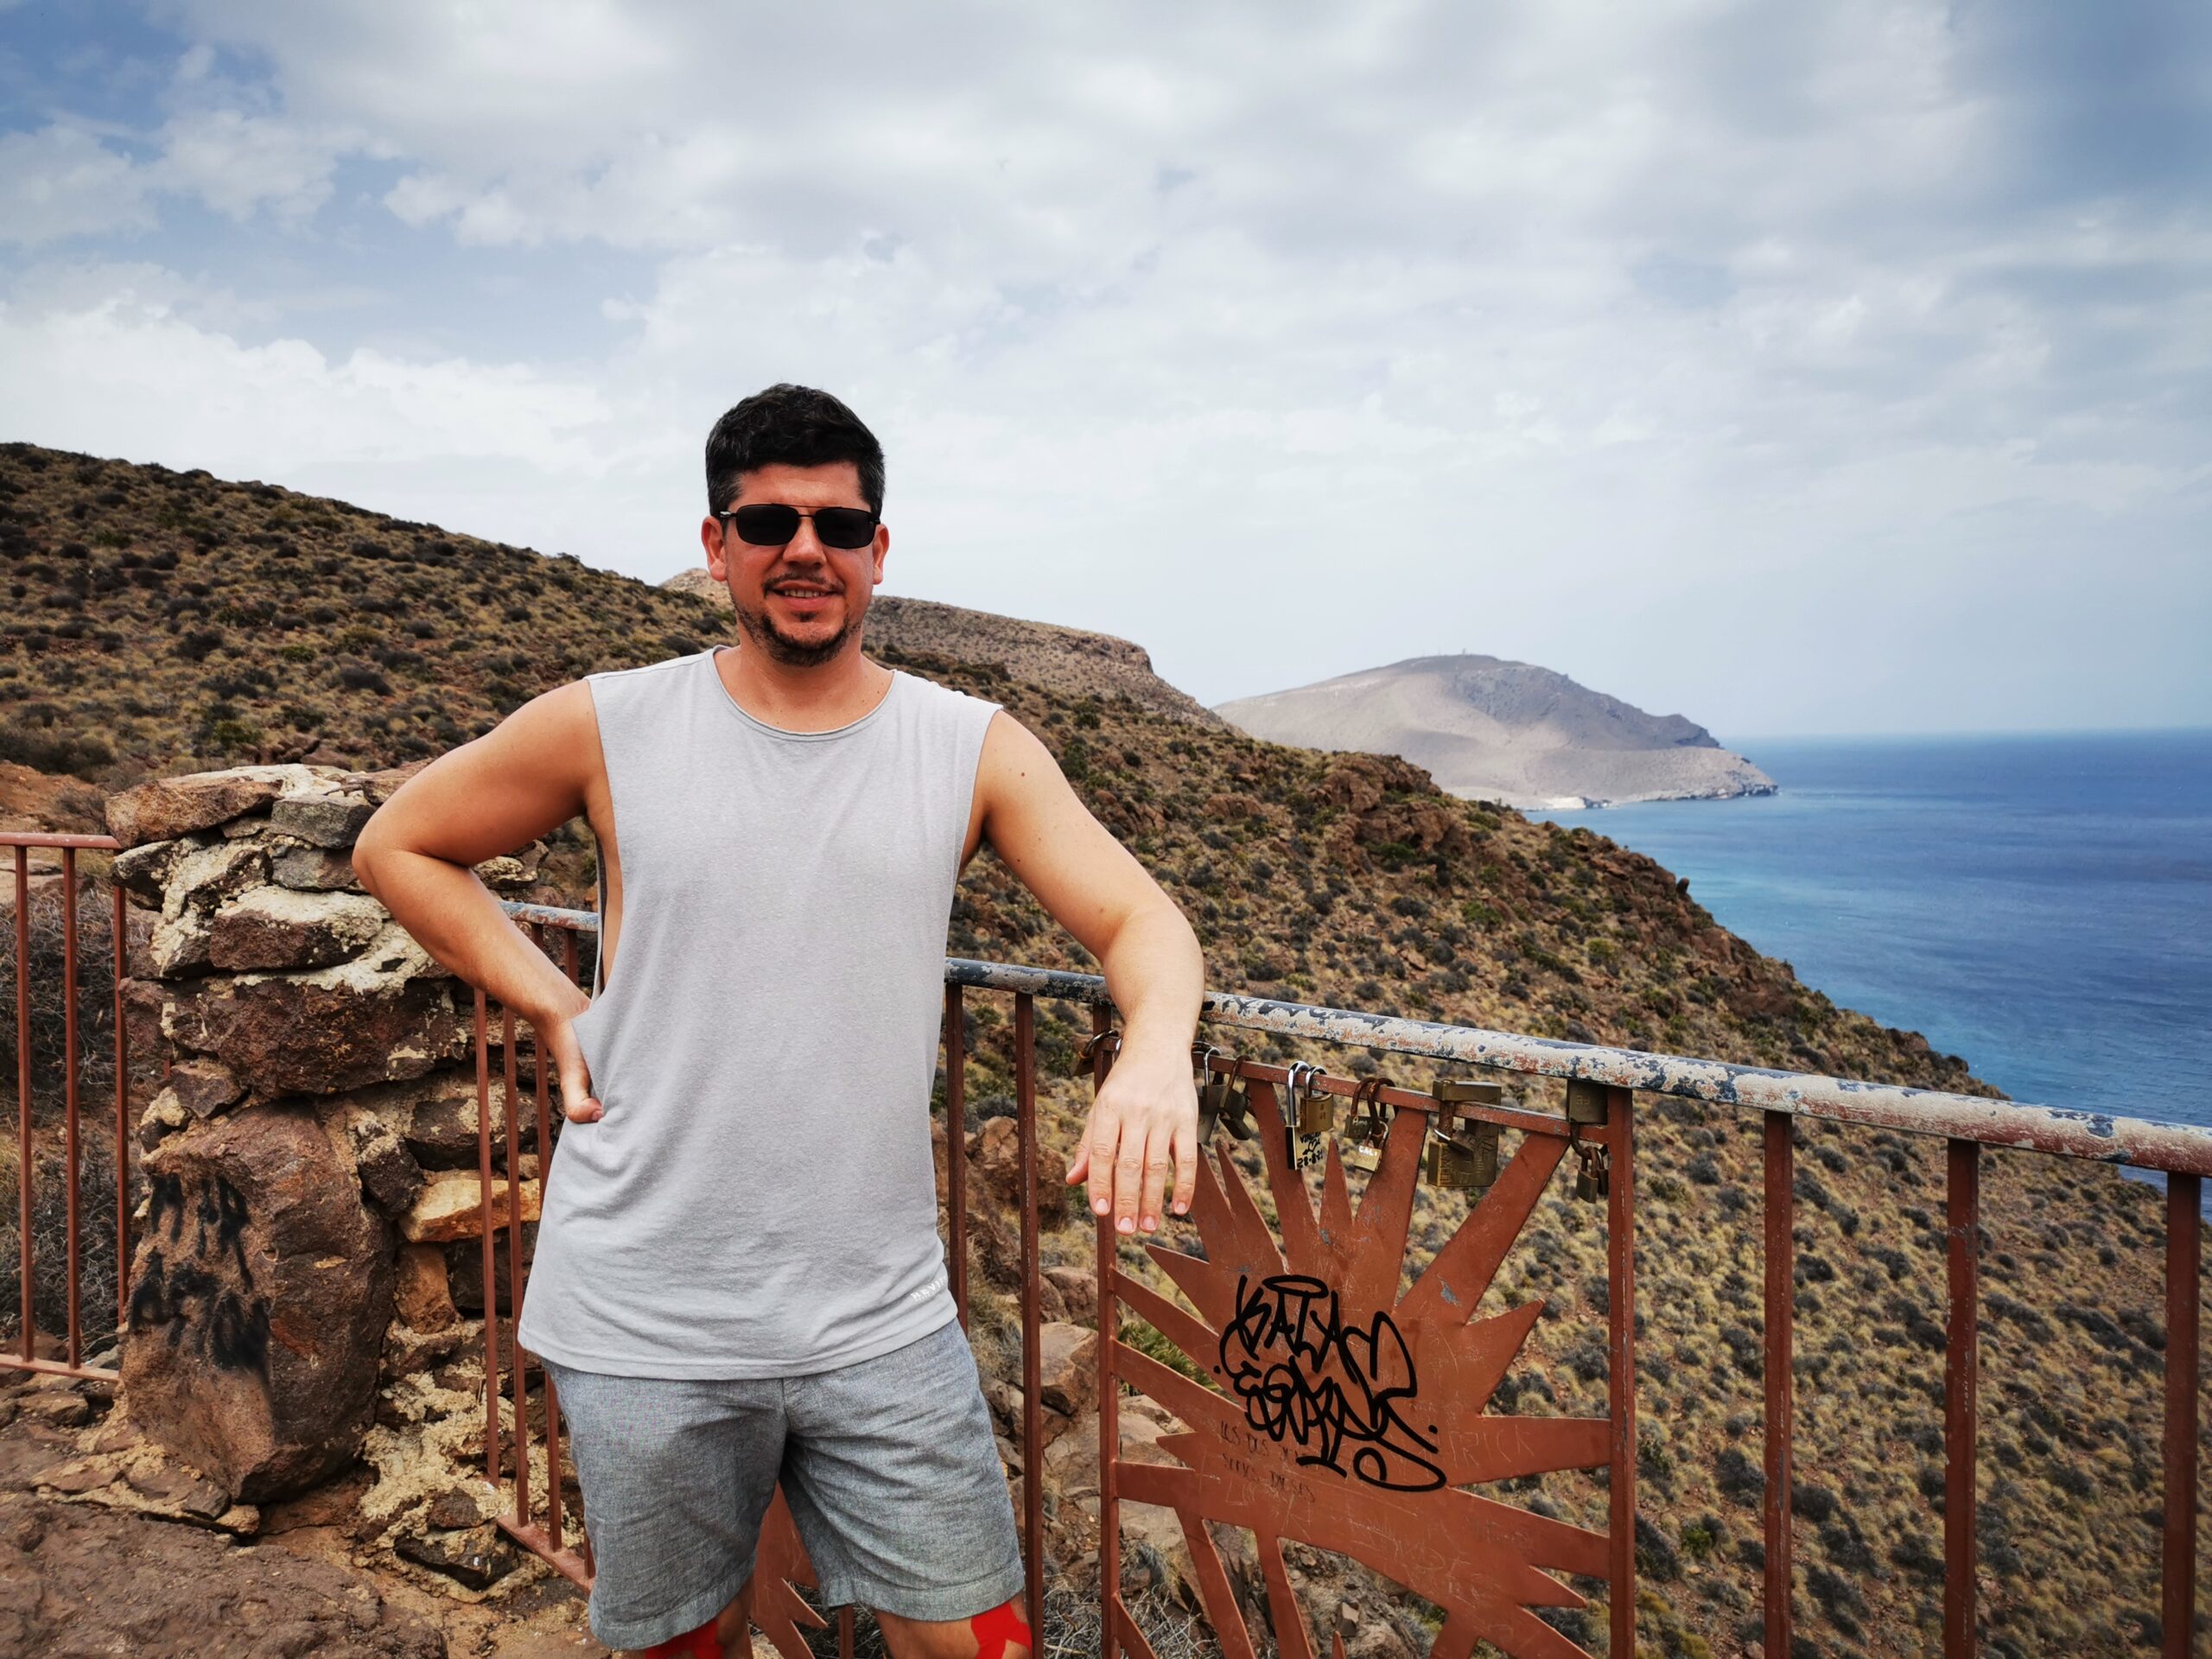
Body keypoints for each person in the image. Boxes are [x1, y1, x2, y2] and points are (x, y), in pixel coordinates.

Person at [353, 384, 1205, 1659]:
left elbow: (1144, 922)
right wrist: (552, 998)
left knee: (979, 1639)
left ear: (878, 549)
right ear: (718, 546)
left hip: (881, 1317)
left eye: (838, 524)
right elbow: (401, 845)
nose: (806, 549)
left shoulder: (969, 746)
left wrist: (1153, 1053)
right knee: (683, 1641)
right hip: (647, 1312)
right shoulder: (610, 722)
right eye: (768, 523)